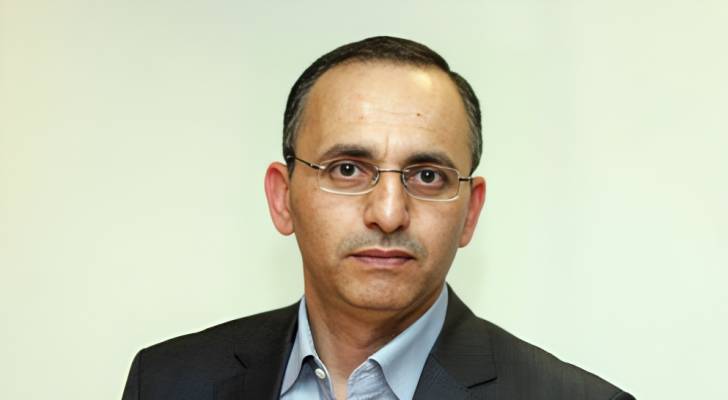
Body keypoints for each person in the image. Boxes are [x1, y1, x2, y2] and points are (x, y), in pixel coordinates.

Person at [121, 36, 634, 400]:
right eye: (347, 169)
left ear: (470, 211)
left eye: (427, 176)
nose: (389, 213)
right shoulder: (166, 382)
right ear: (282, 198)